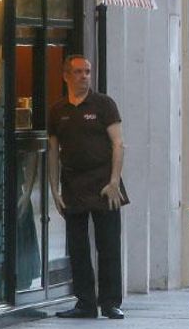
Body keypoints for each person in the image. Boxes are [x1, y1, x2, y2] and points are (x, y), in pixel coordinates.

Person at [47, 55, 128, 320]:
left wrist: (114, 181)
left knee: (108, 245)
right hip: (72, 184)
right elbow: (52, 150)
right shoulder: (58, 109)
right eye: (79, 72)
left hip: (105, 184)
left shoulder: (104, 104)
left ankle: (111, 303)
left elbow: (118, 144)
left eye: (88, 72)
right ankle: (85, 303)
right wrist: (54, 189)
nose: (84, 76)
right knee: (78, 246)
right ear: (66, 76)